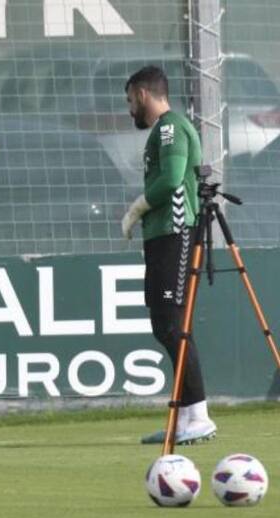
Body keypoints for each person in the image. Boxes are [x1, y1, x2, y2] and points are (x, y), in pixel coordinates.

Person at [121, 66, 216, 445]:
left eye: (130, 101)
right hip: (162, 236)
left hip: (175, 233)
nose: (130, 109)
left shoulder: (170, 126)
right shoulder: (163, 130)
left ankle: (199, 416)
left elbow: (173, 178)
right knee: (164, 325)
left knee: (173, 324)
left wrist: (137, 207)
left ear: (143, 94)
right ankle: (184, 415)